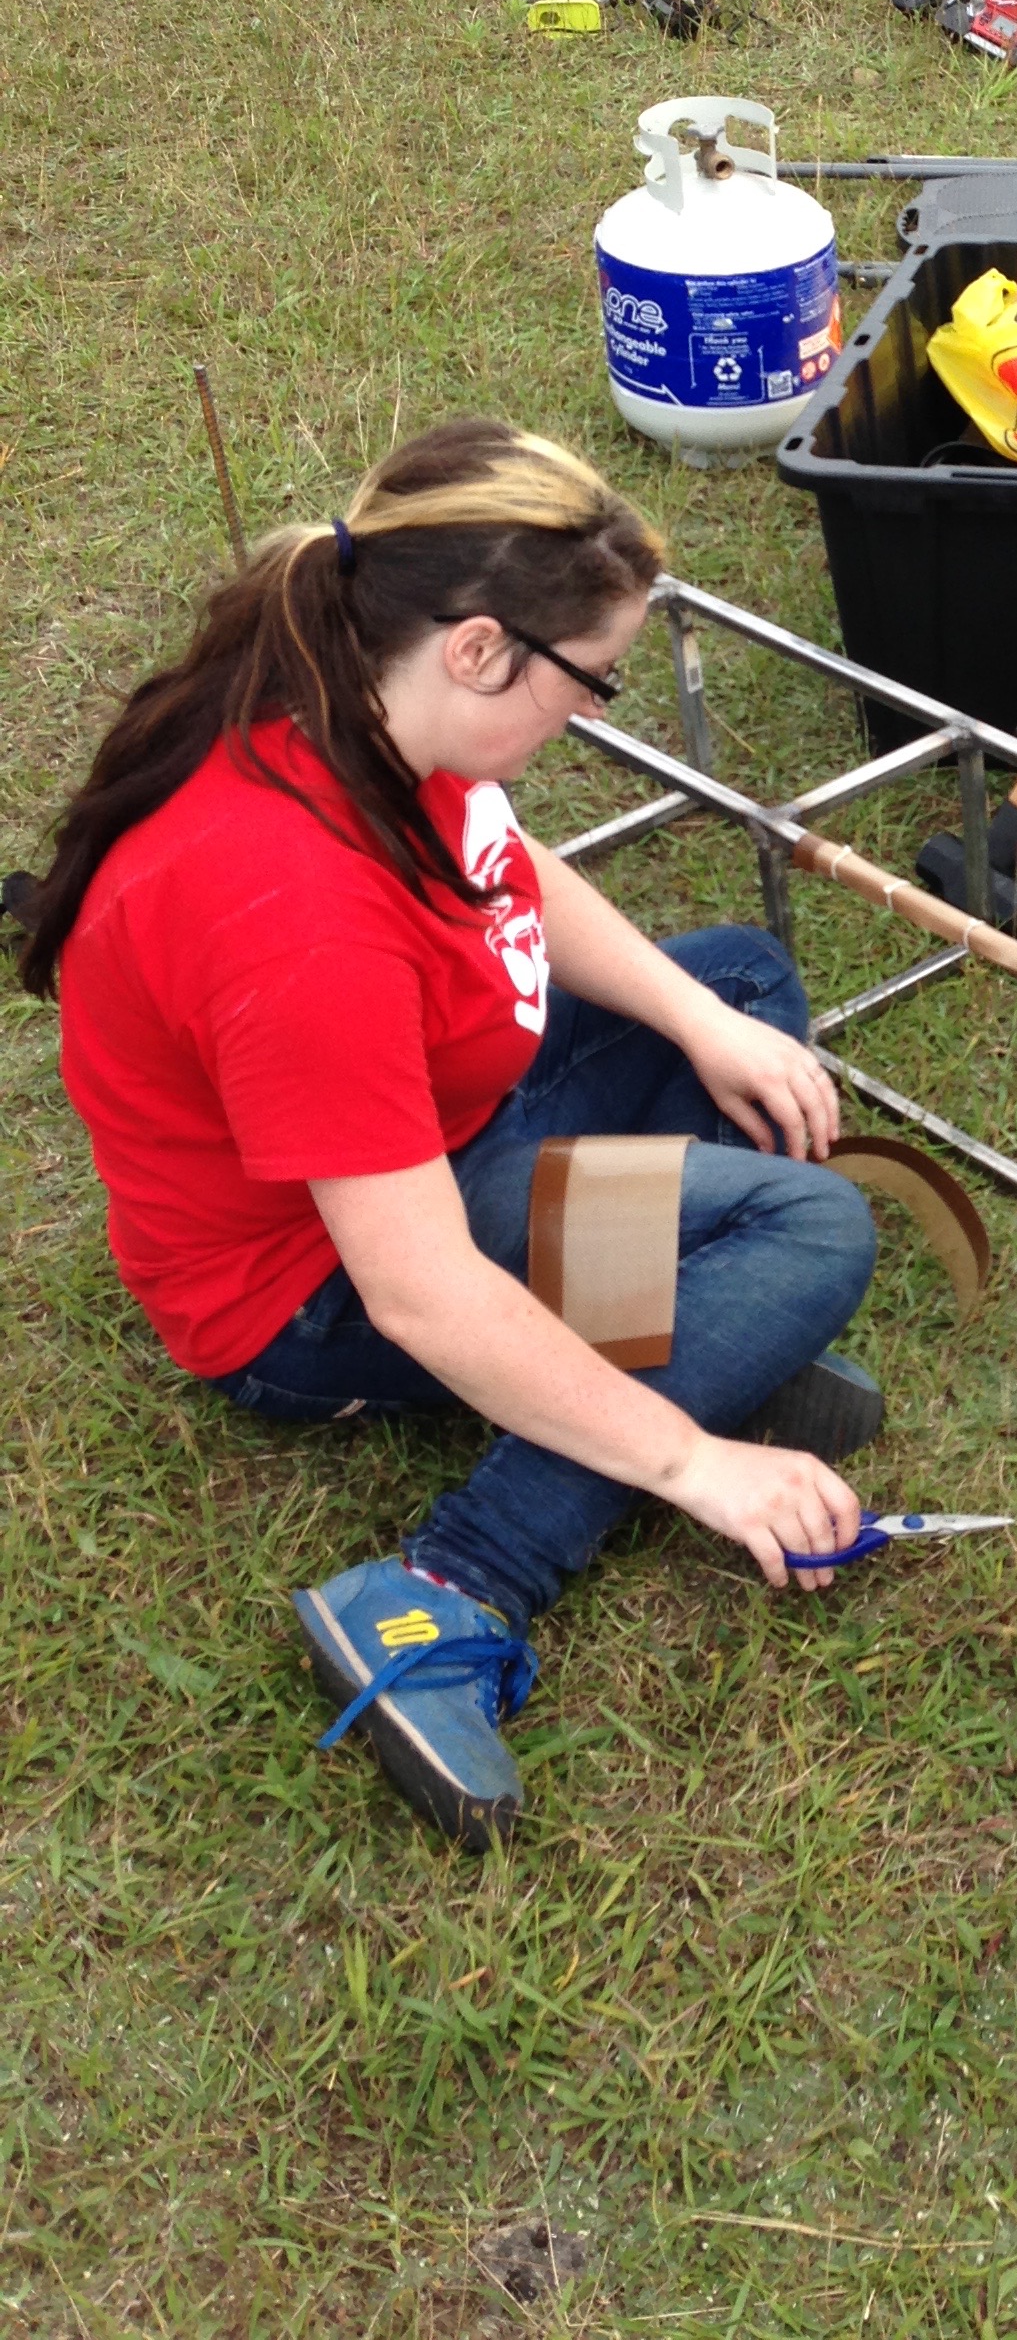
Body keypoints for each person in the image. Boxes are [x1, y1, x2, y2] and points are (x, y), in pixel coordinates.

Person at [17, 418, 882, 1850]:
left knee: (736, 989)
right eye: (589, 682)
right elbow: (415, 1288)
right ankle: (449, 1586)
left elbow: (505, 863)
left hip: (439, 1102)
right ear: (481, 649)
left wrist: (699, 1025)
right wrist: (694, 1465)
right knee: (812, 1226)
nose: (593, 717)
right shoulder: (294, 922)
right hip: (303, 1288)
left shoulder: (349, 686)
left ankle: (664, 1344)